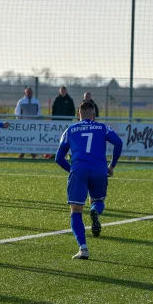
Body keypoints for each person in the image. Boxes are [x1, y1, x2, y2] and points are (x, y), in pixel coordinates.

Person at [55, 100, 123, 259]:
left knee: (76, 211)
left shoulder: (70, 129)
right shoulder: (102, 127)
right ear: (94, 115)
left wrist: (72, 170)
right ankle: (94, 211)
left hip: (79, 169)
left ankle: (83, 248)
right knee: (98, 201)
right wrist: (112, 166)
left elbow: (58, 158)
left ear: (79, 114)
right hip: (99, 169)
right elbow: (118, 143)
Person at [45, 86, 76, 159]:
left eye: (64, 91)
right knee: (57, 138)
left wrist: (69, 119)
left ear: (66, 91)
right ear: (60, 91)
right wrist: (54, 119)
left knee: (68, 138)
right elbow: (54, 110)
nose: (63, 92)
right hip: (57, 123)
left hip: (67, 123)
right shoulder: (57, 100)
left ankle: (69, 154)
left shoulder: (69, 100)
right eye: (62, 91)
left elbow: (73, 111)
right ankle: (55, 153)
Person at [15, 87, 41, 159]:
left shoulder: (36, 101)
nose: (29, 93)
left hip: (33, 124)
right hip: (23, 125)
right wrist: (21, 121)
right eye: (28, 92)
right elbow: (17, 112)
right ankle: (22, 153)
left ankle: (33, 154)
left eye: (30, 92)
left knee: (32, 139)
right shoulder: (21, 101)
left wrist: (37, 121)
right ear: (25, 93)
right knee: (24, 139)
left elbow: (39, 112)